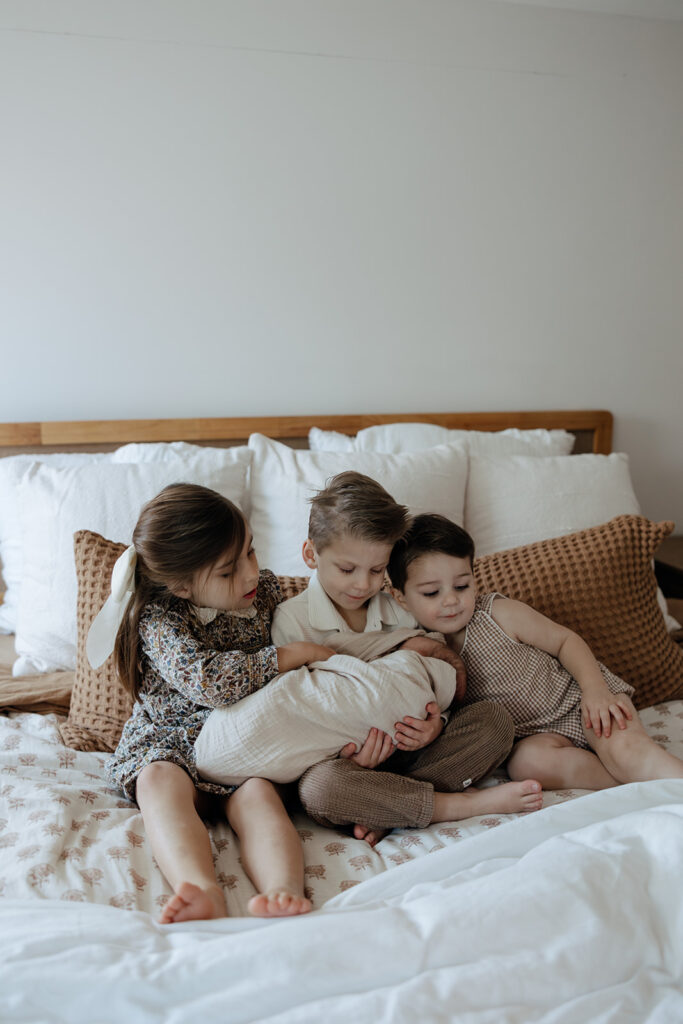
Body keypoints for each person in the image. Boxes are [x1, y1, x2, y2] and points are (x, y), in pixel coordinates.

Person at [88, 483, 335, 923]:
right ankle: (199, 887)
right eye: (227, 572)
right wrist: (289, 655)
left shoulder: (266, 591)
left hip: (243, 739)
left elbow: (322, 610)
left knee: (259, 795)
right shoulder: (161, 619)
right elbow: (208, 681)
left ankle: (282, 890)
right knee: (158, 782)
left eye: (252, 553)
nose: (250, 575)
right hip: (173, 742)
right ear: (182, 586)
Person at [271, 471, 543, 846]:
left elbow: (439, 675)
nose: (363, 585)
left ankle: (389, 809)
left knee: (495, 721)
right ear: (310, 555)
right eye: (347, 569)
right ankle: (449, 805)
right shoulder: (292, 620)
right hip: (349, 764)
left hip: (418, 752)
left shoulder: (397, 607)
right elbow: (293, 708)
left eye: (377, 570)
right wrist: (354, 762)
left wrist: (438, 723)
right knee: (319, 790)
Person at [388, 513, 683, 792]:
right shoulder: (419, 652)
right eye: (431, 593)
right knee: (527, 765)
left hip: (581, 704)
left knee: (627, 752)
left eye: (462, 585)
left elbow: (565, 641)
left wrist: (595, 690)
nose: (451, 600)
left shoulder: (496, 613)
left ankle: (661, 779)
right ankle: (633, 789)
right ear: (400, 598)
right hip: (537, 736)